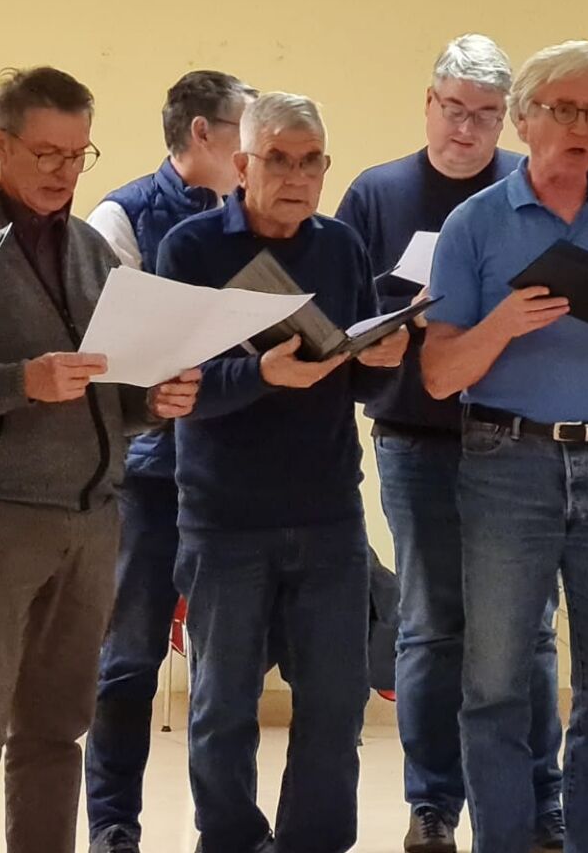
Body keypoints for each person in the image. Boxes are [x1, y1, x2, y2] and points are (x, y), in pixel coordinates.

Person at [0, 67, 200, 853]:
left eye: (79, 154)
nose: (65, 172)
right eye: (47, 153)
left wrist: (151, 403)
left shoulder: (92, 250)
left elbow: (108, 393)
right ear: (0, 145)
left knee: (59, 730)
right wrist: (18, 383)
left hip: (90, 521)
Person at [420, 40, 588, 853]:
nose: (581, 127)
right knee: (496, 682)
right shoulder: (474, 224)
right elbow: (438, 375)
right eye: (563, 109)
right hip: (508, 464)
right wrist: (504, 323)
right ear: (523, 118)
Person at [158, 91, 406, 853]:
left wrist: (384, 360)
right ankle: (232, 839)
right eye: (279, 160)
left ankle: (314, 840)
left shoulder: (341, 247)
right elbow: (175, 386)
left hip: (329, 512)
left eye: (312, 162)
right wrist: (262, 374)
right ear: (242, 164)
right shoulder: (191, 249)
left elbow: (355, 377)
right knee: (223, 704)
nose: (298, 177)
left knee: (335, 702)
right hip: (225, 515)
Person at [335, 34, 563, 853]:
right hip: (414, 436)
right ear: (428, 104)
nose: (466, 128)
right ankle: (432, 803)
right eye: (454, 109)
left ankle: (542, 802)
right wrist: (397, 322)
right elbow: (337, 315)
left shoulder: (530, 187)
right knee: (430, 625)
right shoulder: (376, 192)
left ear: (509, 119)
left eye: (486, 115)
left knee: (531, 629)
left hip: (519, 438)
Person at [82, 70, 253, 853]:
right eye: (245, 133)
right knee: (128, 659)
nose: (255, 152)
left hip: (233, 470)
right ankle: (113, 823)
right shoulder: (118, 217)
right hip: (147, 474)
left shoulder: (255, 217)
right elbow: (105, 351)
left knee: (227, 666)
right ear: (202, 134)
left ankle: (227, 825)